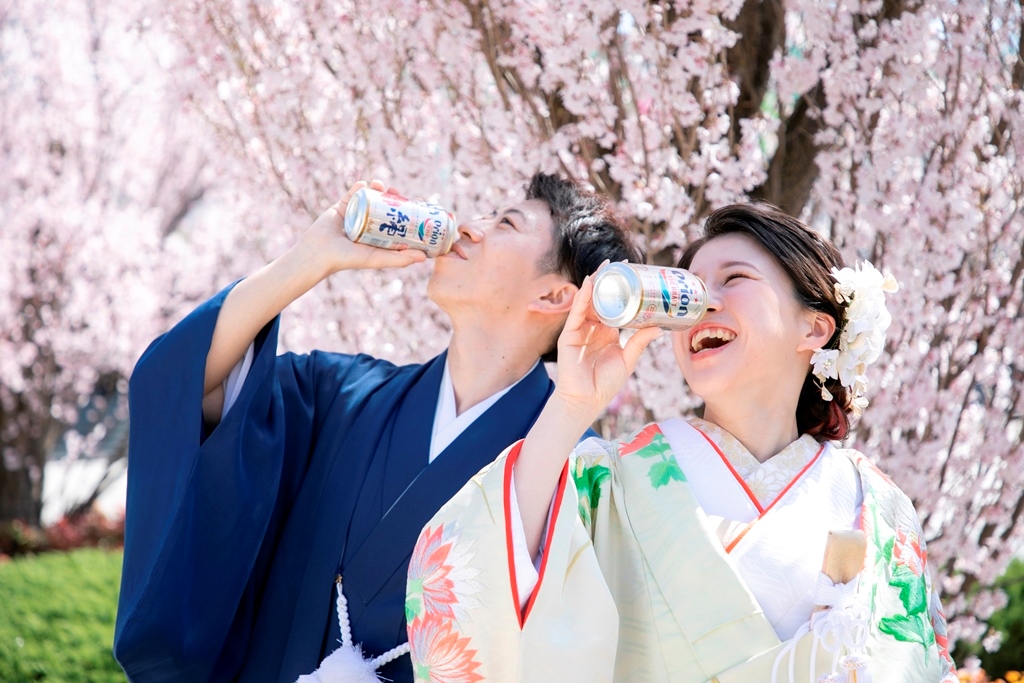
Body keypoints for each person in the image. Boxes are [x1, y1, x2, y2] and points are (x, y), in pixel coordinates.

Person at [112, 173, 642, 683]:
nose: (471, 226)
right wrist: (310, 258)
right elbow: (185, 384)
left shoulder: (573, 467)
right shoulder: (341, 395)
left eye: (505, 223)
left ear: (553, 297)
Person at [406, 203, 958, 682]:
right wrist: (572, 404)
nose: (702, 304)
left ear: (814, 329)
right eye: (691, 288)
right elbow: (473, 569)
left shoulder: (880, 508)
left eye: (734, 279)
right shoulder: (611, 478)